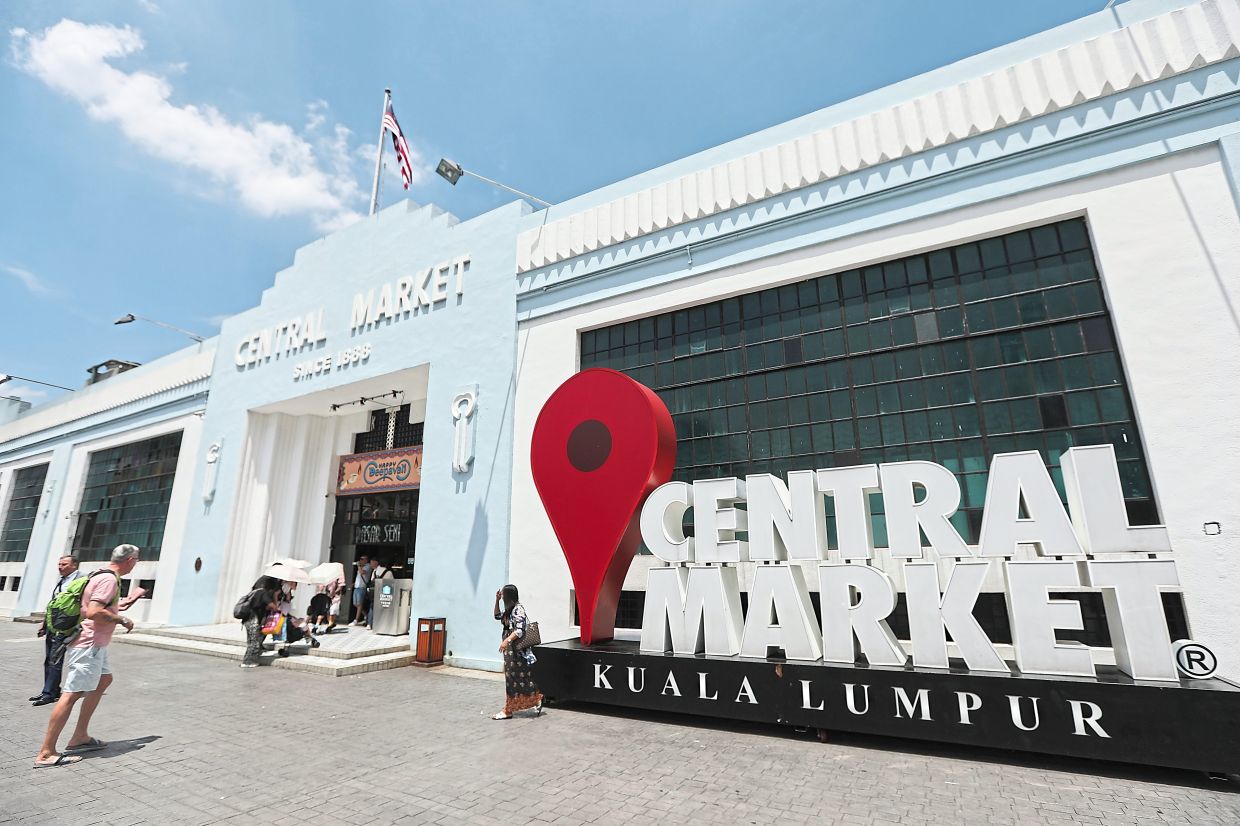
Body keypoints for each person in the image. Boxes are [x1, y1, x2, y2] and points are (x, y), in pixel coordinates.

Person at [33, 544, 140, 768]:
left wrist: (119, 607)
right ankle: (46, 752)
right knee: (71, 694)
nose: (135, 564)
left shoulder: (100, 573)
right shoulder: (109, 579)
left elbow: (94, 606)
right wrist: (122, 619)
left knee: (104, 679)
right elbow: (93, 612)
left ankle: (80, 736)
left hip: (96, 644)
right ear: (130, 560)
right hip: (88, 645)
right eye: (136, 561)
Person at [31, 555, 84, 707]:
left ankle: (49, 693)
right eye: (59, 564)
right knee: (49, 659)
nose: (60, 567)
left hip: (65, 626)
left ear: (74, 565)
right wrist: (44, 623)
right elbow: (54, 603)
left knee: (55, 659)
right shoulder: (62, 580)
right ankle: (50, 690)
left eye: (64, 564)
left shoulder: (82, 580)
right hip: (53, 624)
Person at [492, 584, 543, 721]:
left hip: (516, 649)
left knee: (514, 678)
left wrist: (506, 641)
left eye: (503, 595)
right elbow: (497, 616)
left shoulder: (518, 609)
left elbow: (519, 630)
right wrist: (496, 600)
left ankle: (508, 710)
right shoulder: (509, 609)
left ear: (509, 596)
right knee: (517, 678)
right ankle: (536, 698)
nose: (502, 597)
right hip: (510, 650)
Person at [239, 576, 279, 669]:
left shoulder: (255, 592)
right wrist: (276, 596)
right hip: (253, 619)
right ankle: (248, 662)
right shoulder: (263, 592)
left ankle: (248, 660)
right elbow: (273, 607)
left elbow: (263, 606)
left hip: (247, 619)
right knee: (255, 642)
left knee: (251, 641)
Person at [366, 558, 392, 629]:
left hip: (374, 592)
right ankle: (379, 623)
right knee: (383, 608)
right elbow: (391, 583)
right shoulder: (388, 572)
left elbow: (372, 581)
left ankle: (369, 623)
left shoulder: (375, 571)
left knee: (372, 607)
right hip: (384, 593)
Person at [351, 556, 371, 625]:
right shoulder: (361, 566)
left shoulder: (368, 566)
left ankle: (356, 620)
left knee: (359, 604)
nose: (360, 560)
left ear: (366, 560)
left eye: (362, 559)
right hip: (357, 587)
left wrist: (359, 566)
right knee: (355, 603)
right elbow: (359, 577)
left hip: (362, 587)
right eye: (360, 559)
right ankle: (366, 615)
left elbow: (362, 573)